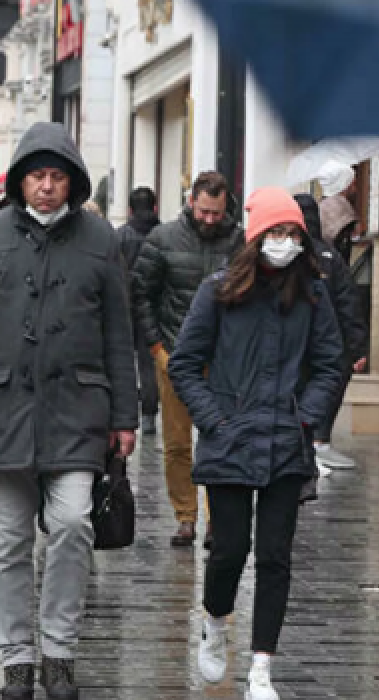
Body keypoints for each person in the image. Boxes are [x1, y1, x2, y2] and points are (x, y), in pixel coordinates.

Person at [0, 122, 137, 700]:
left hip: (79, 408)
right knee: (7, 544)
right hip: (3, 409)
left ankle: (60, 651)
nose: (46, 187)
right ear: (19, 180)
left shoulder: (100, 238)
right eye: (36, 176)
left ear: (71, 181)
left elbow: (117, 332)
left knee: (73, 523)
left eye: (56, 177)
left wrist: (124, 415)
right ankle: (17, 658)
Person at [168, 187, 344, 700]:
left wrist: (306, 418)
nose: (284, 242)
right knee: (228, 550)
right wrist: (215, 420)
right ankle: (215, 621)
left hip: (286, 443)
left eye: (292, 234)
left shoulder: (312, 293)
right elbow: (185, 363)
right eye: (276, 233)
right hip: (230, 437)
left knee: (274, 555)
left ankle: (261, 666)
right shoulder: (219, 290)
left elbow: (331, 363)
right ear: (255, 236)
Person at [132, 171, 241, 548]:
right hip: (176, 354)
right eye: (204, 211)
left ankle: (216, 518)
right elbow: (141, 293)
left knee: (221, 437)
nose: (210, 219)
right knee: (177, 442)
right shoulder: (162, 240)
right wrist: (155, 347)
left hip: (224, 359)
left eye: (217, 213)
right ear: (192, 202)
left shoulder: (238, 240)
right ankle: (185, 516)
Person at [295, 194, 368, 472]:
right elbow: (348, 303)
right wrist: (356, 346)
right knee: (325, 388)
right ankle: (318, 438)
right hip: (328, 343)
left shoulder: (294, 254)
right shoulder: (330, 258)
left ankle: (309, 440)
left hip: (299, 343)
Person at [115, 186, 162, 435]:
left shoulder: (121, 236)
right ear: (154, 207)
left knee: (122, 359)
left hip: (125, 305)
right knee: (148, 361)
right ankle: (149, 415)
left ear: (130, 209)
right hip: (153, 306)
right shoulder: (163, 234)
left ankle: (125, 411)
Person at [316, 161, 361, 262]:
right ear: (345, 185)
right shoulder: (342, 210)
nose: (355, 189)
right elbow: (342, 249)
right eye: (353, 184)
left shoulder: (320, 207)